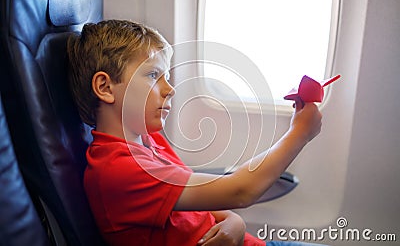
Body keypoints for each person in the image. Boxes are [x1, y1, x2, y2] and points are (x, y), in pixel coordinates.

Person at [67, 20, 325, 246]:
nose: (170, 89)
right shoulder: (118, 170)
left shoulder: (148, 140)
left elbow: (200, 203)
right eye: (153, 75)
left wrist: (234, 221)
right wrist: (299, 132)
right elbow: (240, 191)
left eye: (166, 76)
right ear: (105, 87)